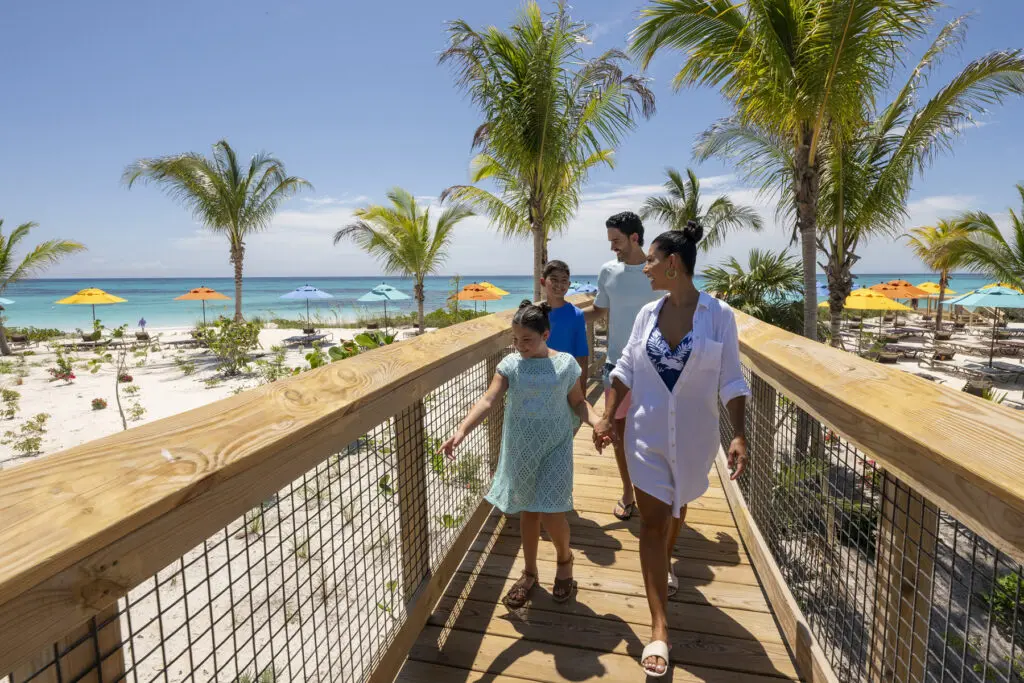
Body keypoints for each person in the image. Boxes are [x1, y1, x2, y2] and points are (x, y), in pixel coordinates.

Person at [593, 222, 750, 678]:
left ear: (674, 265)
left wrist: (738, 433)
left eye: (652, 261)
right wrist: (606, 416)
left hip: (696, 441)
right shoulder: (647, 314)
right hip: (645, 437)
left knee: (676, 513)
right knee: (652, 523)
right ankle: (659, 629)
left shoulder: (719, 316)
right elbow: (623, 367)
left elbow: (732, 379)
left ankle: (663, 564)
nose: (645, 268)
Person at [441, 300, 599, 608]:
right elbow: (489, 399)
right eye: (515, 340)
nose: (520, 346)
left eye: (527, 339)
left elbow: (579, 403)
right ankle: (529, 572)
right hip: (520, 448)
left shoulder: (565, 364)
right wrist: (461, 431)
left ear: (546, 334)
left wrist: (597, 423)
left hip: (555, 446)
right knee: (528, 511)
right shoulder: (511, 365)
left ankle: (564, 561)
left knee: (553, 511)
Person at [588, 211, 662, 521]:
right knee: (617, 434)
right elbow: (598, 311)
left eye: (616, 241)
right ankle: (628, 492)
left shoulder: (658, 272)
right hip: (615, 366)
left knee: (652, 435)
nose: (612, 248)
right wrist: (556, 314)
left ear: (634, 238)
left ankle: (655, 494)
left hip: (655, 369)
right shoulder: (608, 271)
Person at [540, 260, 589, 395]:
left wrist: (582, 395)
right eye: (554, 280)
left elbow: (582, 357)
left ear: (569, 284)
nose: (559, 285)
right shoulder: (536, 314)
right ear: (543, 282)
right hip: (539, 380)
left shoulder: (577, 315)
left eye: (564, 281)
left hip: (567, 382)